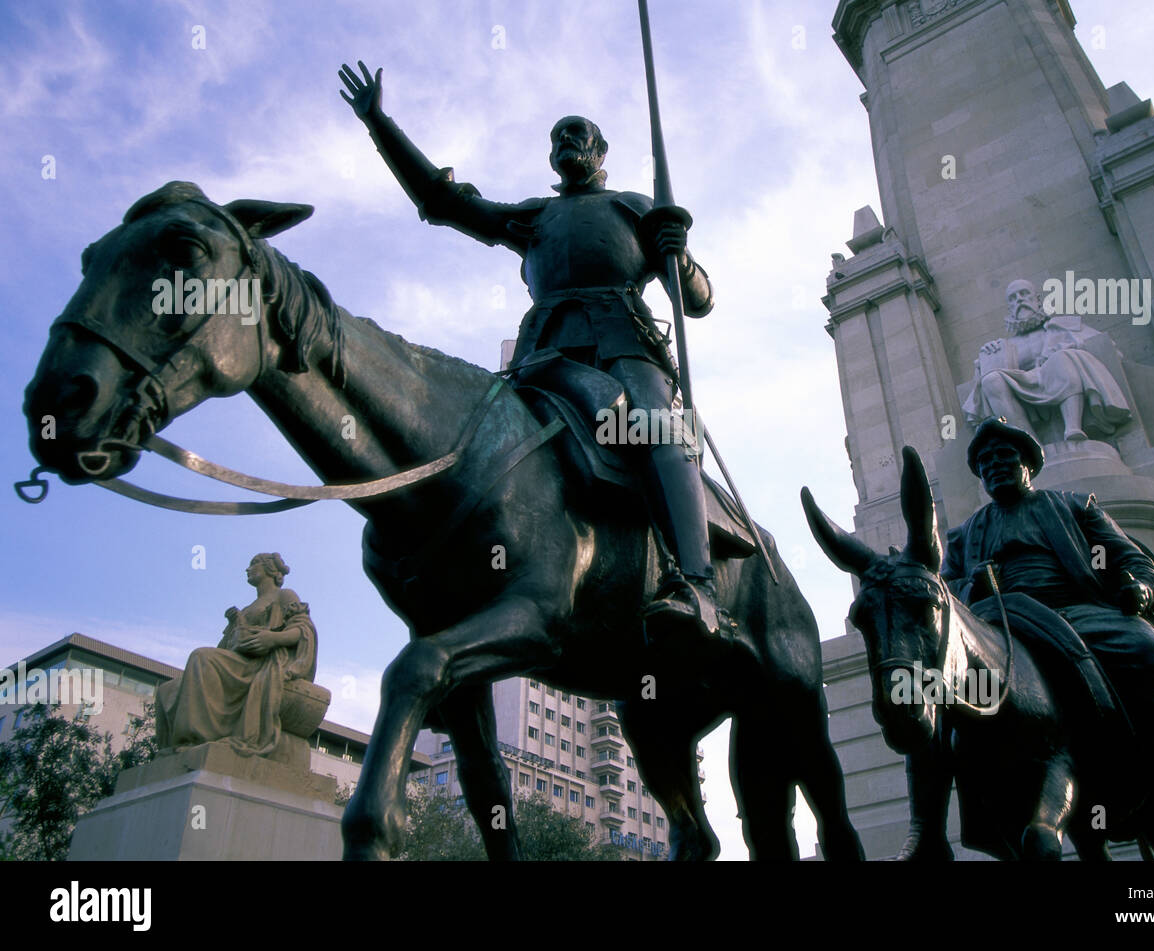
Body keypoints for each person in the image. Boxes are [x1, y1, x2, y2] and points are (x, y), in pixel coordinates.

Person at [338, 61, 730, 645]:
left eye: (576, 133)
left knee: (658, 431)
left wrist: (683, 256)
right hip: (540, 355)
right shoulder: (535, 217)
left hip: (622, 345)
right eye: (556, 138)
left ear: (601, 150)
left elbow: (695, 302)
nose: (565, 142)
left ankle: (698, 588)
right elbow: (442, 203)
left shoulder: (632, 206)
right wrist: (379, 123)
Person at [899, 418, 1154, 857]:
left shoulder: (1075, 507)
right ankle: (926, 829)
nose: (994, 465)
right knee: (926, 690)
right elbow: (943, 593)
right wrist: (969, 587)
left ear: (1028, 466)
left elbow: (1134, 560)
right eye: (984, 461)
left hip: (1078, 616)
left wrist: (1138, 587)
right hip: (999, 628)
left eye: (1004, 457)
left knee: (1153, 654)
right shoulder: (964, 536)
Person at [156, 553, 317, 756]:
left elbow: (303, 630)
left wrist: (272, 639)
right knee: (167, 689)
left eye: (253, 564)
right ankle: (170, 748)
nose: (248, 569)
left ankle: (195, 739)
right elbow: (224, 649)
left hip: (261, 663)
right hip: (238, 660)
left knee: (200, 657)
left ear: (270, 569)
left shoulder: (285, 596)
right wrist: (235, 626)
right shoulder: (248, 608)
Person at [962, 279, 1131, 442]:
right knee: (991, 379)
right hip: (1024, 383)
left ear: (1038, 300)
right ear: (1009, 309)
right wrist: (984, 362)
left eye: (1024, 294)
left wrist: (1073, 345)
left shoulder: (1062, 326)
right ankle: (1030, 443)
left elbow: (1105, 347)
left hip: (1058, 374)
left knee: (1061, 357)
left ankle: (1073, 427)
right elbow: (978, 392)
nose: (1019, 299)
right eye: (1013, 298)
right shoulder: (1006, 346)